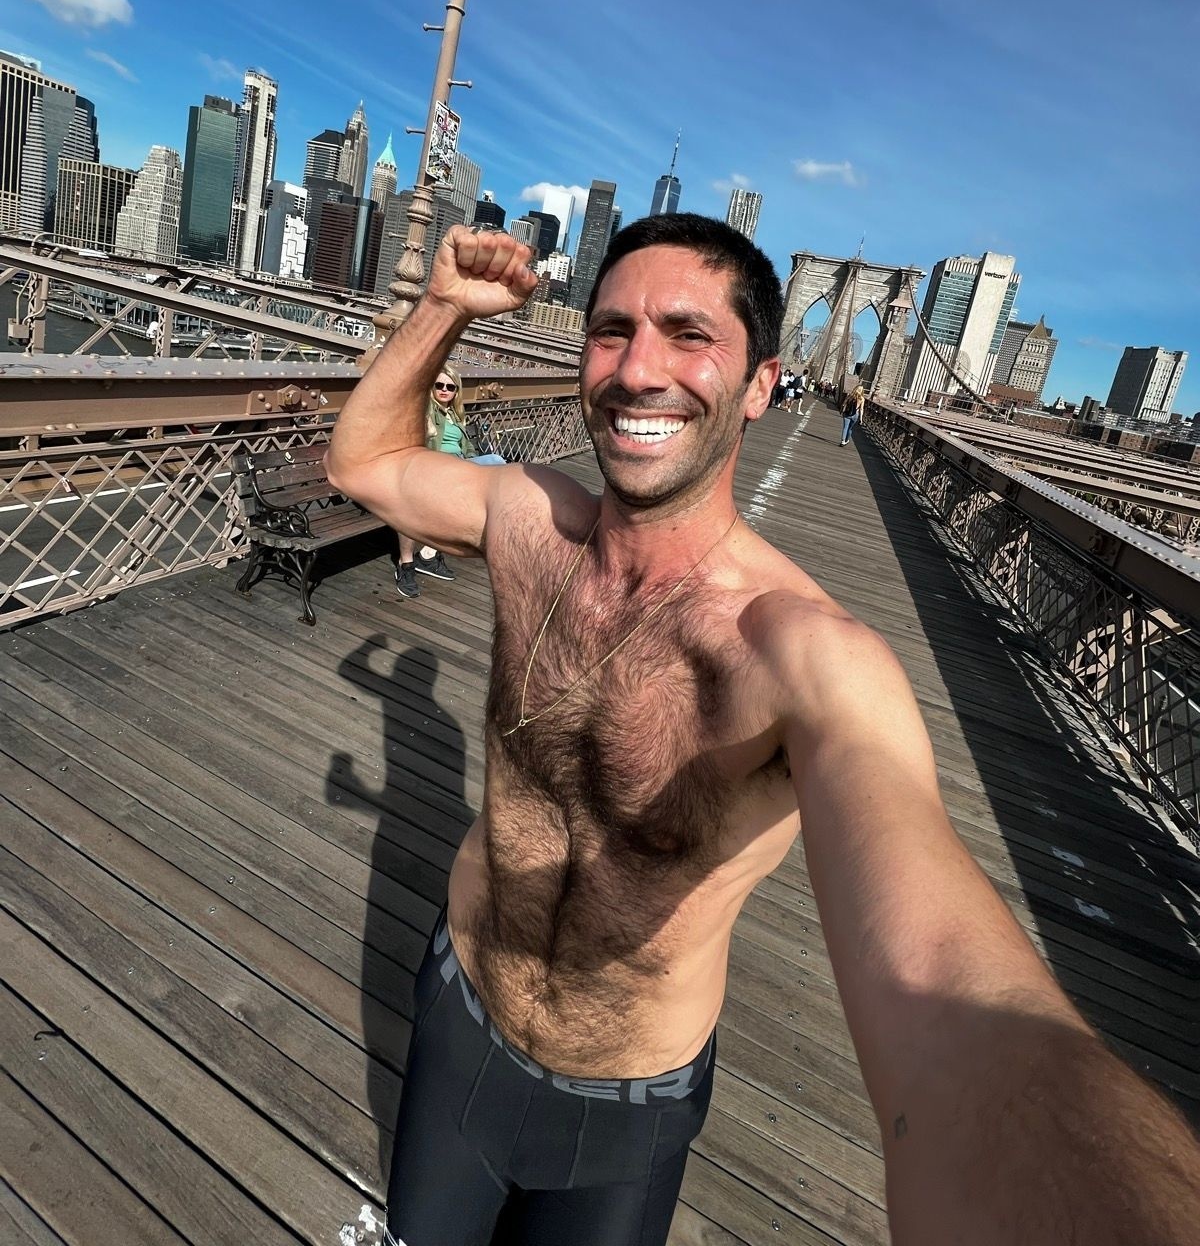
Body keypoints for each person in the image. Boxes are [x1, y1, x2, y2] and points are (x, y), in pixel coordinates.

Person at [327, 214, 1200, 1246]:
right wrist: (443, 308)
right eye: (611, 331)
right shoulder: (527, 521)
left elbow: (950, 982)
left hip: (621, 1112)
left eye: (689, 335)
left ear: (760, 385)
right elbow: (364, 461)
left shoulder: (804, 657)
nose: (638, 369)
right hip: (459, 1018)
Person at [394, 364, 472, 598]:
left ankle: (427, 555)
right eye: (439, 385)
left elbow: (466, 447)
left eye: (450, 387)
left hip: (457, 468)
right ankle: (406, 564)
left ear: (456, 391)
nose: (444, 390)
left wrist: (472, 462)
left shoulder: (456, 415)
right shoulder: (427, 408)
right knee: (412, 509)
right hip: (431, 468)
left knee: (497, 466)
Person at [840, 379, 866, 446]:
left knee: (845, 427)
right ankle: (847, 440)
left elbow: (844, 404)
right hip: (855, 415)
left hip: (847, 413)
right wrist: (861, 419)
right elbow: (861, 409)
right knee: (850, 428)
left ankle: (843, 441)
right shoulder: (862, 399)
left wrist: (841, 410)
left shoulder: (850, 395)